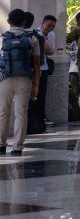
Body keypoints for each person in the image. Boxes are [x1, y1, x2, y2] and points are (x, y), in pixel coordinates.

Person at [0, 9, 41, 156]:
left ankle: (1, 145)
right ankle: (17, 147)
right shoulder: (32, 38)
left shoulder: (2, 38)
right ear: (24, 22)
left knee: (3, 112)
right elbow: (37, 64)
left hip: (5, 79)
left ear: (8, 21)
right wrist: (36, 84)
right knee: (21, 113)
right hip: (25, 79)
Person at [32, 14, 57, 129]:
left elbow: (51, 51)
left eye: (53, 26)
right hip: (35, 69)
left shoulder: (51, 35)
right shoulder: (35, 34)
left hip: (44, 68)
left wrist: (45, 45)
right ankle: (34, 119)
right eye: (48, 25)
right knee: (34, 95)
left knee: (42, 94)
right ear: (42, 24)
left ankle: (42, 118)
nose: (50, 28)